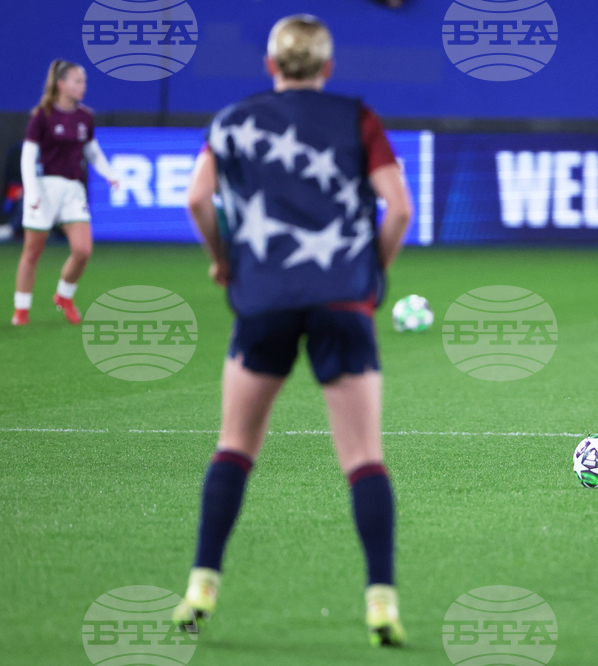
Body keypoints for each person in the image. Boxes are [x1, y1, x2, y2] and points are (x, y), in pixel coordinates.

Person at [172, 15, 412, 647]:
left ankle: (201, 583)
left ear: (271, 66)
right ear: (327, 67)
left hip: (266, 299)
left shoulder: (231, 120)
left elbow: (198, 200)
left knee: (234, 446)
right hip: (342, 300)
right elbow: (400, 207)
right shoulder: (357, 116)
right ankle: (381, 601)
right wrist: (373, 274)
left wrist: (223, 260)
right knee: (363, 459)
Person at [12, 59, 117, 326]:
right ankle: (21, 310)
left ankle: (64, 296)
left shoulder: (85, 117)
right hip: (45, 187)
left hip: (73, 189)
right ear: (61, 84)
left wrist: (109, 173)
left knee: (83, 250)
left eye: (84, 82)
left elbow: (91, 150)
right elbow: (28, 156)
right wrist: (32, 192)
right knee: (32, 252)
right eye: (78, 81)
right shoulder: (42, 116)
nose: (83, 87)